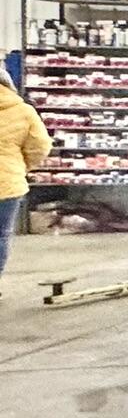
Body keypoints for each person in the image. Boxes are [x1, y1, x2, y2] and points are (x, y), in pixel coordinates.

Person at [0, 71, 52, 289]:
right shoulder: (23, 111)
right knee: (1, 235)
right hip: (8, 184)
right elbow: (41, 146)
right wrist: (22, 166)